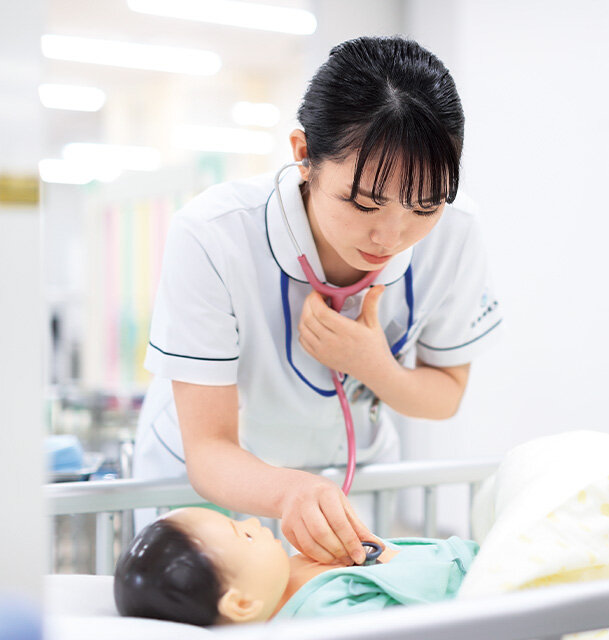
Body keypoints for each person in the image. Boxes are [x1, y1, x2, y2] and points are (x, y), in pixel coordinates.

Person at [132, 35, 503, 565]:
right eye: (363, 202)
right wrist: (290, 492)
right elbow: (209, 448)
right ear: (304, 155)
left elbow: (446, 393)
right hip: (211, 504)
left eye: (424, 207)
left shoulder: (459, 231)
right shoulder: (214, 233)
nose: (390, 237)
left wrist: (374, 366)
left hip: (347, 488)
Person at [114, 508, 477, 626]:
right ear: (242, 604)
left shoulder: (289, 573)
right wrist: (381, 559)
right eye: (245, 536)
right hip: (478, 583)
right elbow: (421, 616)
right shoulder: (319, 616)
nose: (254, 521)